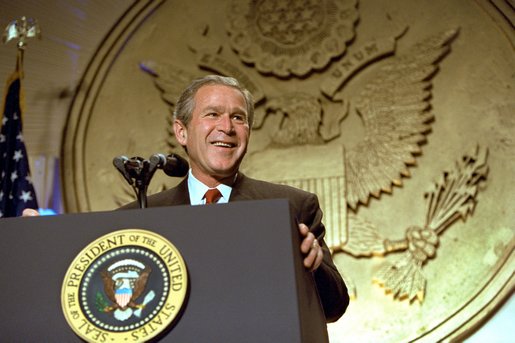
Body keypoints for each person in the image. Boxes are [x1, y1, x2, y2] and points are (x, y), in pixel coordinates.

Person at [120, 75, 349, 322]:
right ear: (181, 132)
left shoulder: (293, 206)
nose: (227, 127)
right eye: (213, 114)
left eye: (238, 117)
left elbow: (334, 308)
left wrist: (313, 269)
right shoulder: (138, 217)